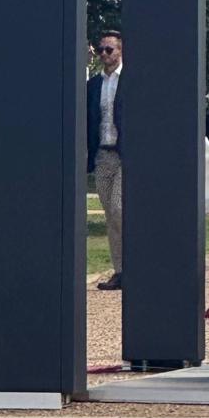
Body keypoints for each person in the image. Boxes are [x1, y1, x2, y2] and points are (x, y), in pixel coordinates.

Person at [86, 28, 124, 292]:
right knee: (110, 215)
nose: (104, 54)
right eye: (101, 50)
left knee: (120, 208)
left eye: (109, 49)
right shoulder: (93, 85)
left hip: (125, 156)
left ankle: (136, 266)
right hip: (103, 155)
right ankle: (120, 271)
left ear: (121, 51)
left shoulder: (130, 79)